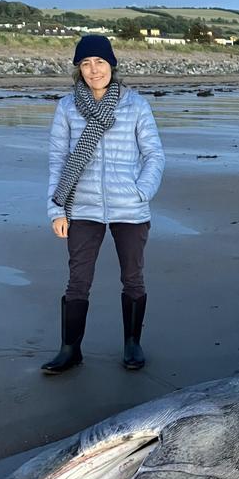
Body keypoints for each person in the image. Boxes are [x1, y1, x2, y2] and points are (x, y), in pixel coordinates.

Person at [41, 34, 165, 374]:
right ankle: (70, 350)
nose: (93, 70)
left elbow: (154, 155)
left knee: (133, 277)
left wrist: (141, 192)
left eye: (99, 62)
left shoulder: (135, 105)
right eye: (85, 64)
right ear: (78, 70)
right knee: (77, 280)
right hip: (81, 206)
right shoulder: (67, 107)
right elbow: (57, 160)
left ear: (112, 64)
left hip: (130, 207)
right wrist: (57, 209)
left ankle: (132, 344)